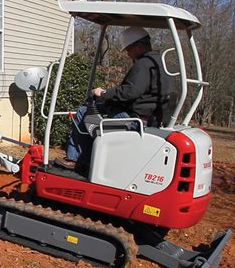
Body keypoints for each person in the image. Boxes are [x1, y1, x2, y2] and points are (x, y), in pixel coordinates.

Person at [54, 26, 174, 170]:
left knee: (84, 111)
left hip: (135, 120)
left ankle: (76, 159)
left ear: (139, 46)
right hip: (149, 118)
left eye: (129, 49)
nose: (128, 54)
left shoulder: (144, 64)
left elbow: (130, 92)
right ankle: (90, 157)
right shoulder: (159, 63)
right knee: (98, 110)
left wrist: (103, 93)